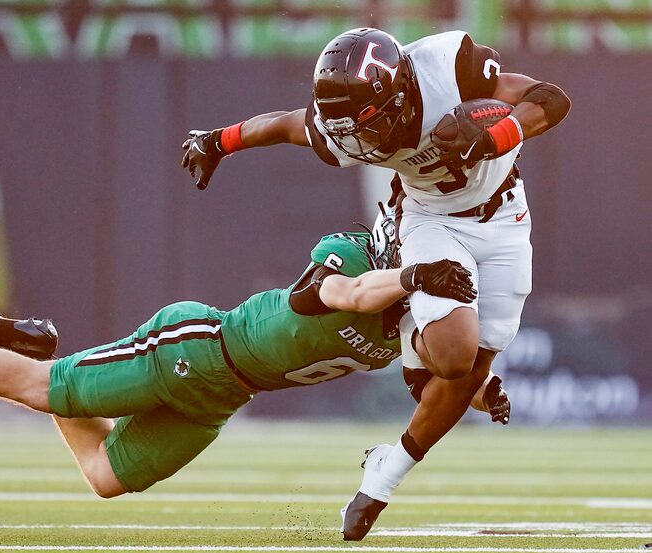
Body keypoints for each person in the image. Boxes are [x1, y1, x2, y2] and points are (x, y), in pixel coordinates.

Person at [181, 27, 570, 539]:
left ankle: (384, 473)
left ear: (402, 90)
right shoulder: (348, 126)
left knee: (471, 371)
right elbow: (284, 125)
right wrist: (219, 141)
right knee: (453, 357)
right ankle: (413, 331)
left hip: (504, 216)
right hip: (430, 221)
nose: (361, 142)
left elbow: (551, 99)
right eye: (348, 129)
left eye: (369, 122)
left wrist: (495, 134)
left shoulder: (448, 69)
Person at [0, 226, 506, 500]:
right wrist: (419, 273)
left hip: (220, 399)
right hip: (194, 348)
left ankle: (42, 345)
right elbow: (338, 293)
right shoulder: (355, 256)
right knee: (45, 391)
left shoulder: (414, 318)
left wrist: (481, 391)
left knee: (104, 477)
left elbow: (433, 368)